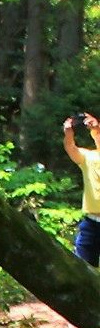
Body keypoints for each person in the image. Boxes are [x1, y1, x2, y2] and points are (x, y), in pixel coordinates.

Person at [63, 112, 100, 267]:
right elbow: (71, 149)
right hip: (91, 224)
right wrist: (68, 133)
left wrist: (96, 131)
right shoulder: (89, 157)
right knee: (82, 268)